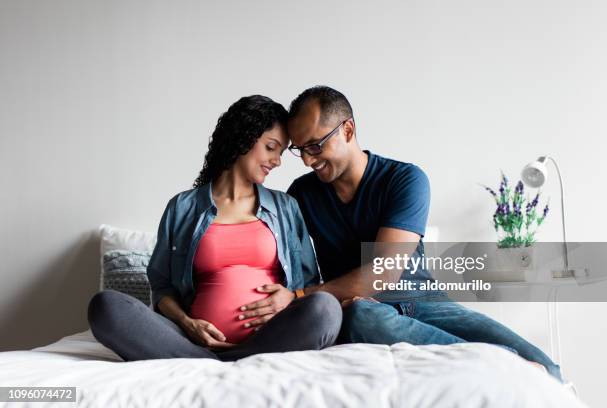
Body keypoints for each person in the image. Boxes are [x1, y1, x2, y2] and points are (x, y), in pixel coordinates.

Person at [253, 85, 562, 382]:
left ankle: (517, 366)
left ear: (348, 130)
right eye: (300, 150)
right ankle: (512, 367)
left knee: (549, 368)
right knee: (363, 316)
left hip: (427, 303)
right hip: (363, 310)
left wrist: (301, 296)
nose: (308, 160)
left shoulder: (404, 179)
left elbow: (383, 274)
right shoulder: (302, 194)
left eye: (315, 146)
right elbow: (277, 252)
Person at [87, 95, 342, 362]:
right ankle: (210, 357)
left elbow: (309, 283)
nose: (277, 160)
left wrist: (290, 297)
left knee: (326, 309)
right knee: (105, 307)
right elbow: (162, 287)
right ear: (243, 139)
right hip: (191, 340)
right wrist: (188, 323)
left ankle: (224, 358)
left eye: (280, 152)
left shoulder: (286, 207)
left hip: (271, 336)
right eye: (271, 147)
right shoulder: (183, 207)